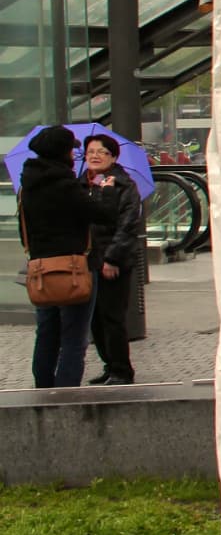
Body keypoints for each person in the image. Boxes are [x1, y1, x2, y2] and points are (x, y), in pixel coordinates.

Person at [19, 125, 112, 388]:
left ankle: (44, 391)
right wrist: (102, 190)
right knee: (74, 337)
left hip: (41, 269)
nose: (75, 154)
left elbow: (23, 231)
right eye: (72, 149)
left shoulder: (27, 187)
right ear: (63, 152)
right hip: (75, 268)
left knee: (46, 334)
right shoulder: (67, 186)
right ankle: (66, 397)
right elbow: (102, 215)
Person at [83, 132, 145, 387]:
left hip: (113, 261)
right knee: (95, 319)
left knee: (112, 317)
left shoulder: (124, 185)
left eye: (101, 152)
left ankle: (122, 369)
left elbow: (127, 225)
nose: (95, 156)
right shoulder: (84, 184)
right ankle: (109, 365)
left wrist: (112, 258)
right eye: (90, 153)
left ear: (114, 156)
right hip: (89, 261)